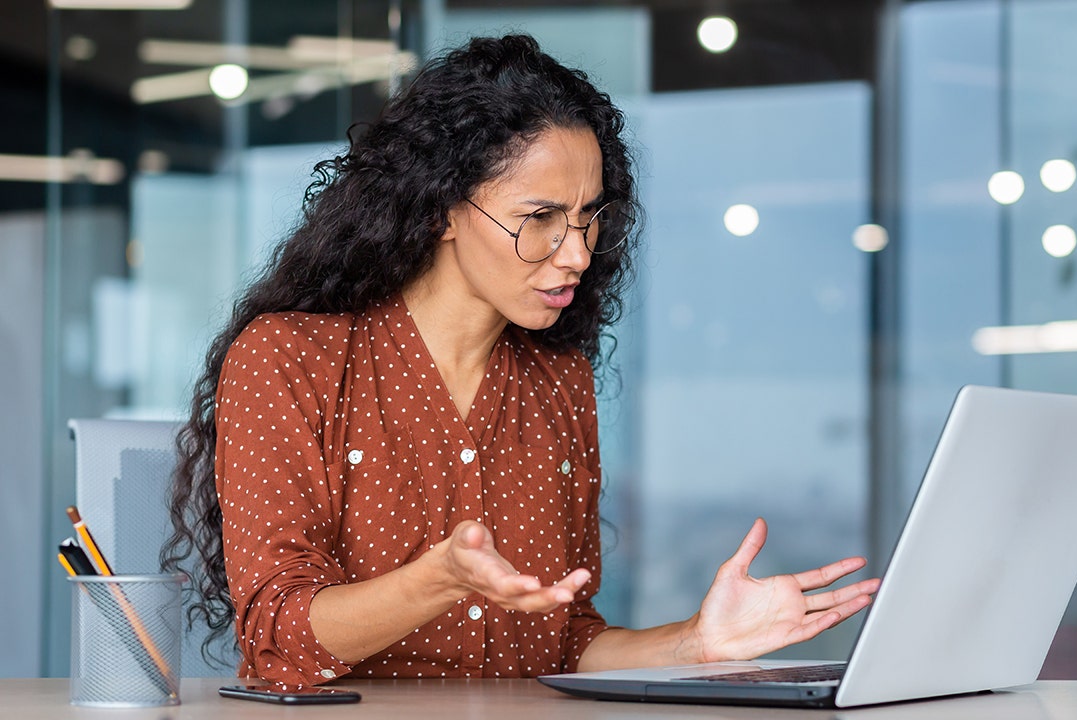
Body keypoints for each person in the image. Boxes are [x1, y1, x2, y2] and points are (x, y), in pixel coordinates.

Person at [163, 34, 879, 685]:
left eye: (588, 218)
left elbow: (564, 645)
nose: (575, 254)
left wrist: (696, 643)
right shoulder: (291, 358)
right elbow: (279, 636)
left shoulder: (557, 379)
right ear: (441, 207)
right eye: (538, 219)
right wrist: (438, 579)